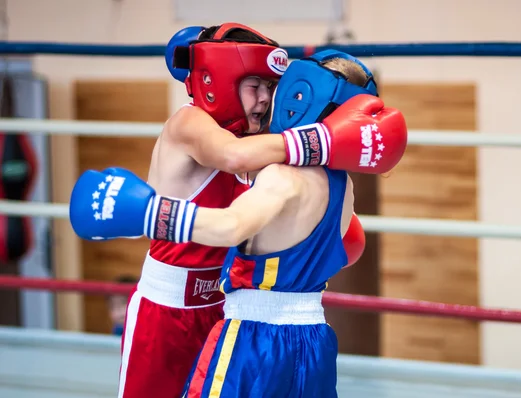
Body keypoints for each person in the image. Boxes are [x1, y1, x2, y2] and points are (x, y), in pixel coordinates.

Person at [77, 22, 406, 398]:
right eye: (255, 85)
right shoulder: (192, 123)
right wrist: (326, 140)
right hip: (167, 311)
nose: (265, 98)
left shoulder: (266, 145)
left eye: (271, 86)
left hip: (227, 308)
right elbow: (234, 158)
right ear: (221, 79)